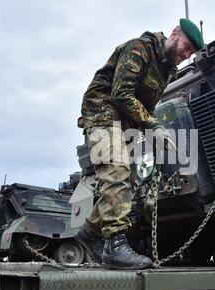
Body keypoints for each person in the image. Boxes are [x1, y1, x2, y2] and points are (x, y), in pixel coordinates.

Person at [75, 19, 204, 270]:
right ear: (174, 34)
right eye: (186, 47)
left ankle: (90, 232)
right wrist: (152, 125)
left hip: (127, 123)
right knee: (117, 172)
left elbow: (148, 107)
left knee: (130, 180)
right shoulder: (139, 49)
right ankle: (115, 246)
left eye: (190, 53)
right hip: (103, 113)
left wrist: (154, 134)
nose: (186, 55)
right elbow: (121, 94)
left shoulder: (168, 70)